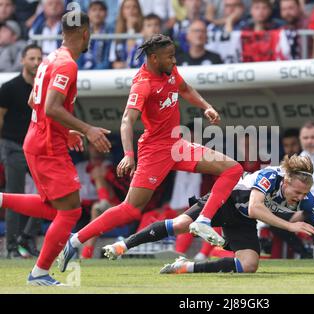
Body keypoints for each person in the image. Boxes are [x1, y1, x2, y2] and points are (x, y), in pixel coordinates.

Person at [58, 34, 244, 272]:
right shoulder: (143, 83)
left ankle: (204, 221)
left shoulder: (170, 73)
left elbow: (186, 89)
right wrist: (128, 154)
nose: (174, 61)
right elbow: (127, 120)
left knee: (233, 168)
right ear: (154, 58)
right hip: (154, 151)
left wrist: (206, 106)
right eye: (170, 57)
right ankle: (75, 240)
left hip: (177, 146)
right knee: (130, 209)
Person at [0, 11, 112, 286]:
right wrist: (87, 129)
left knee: (55, 209)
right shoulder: (67, 65)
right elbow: (50, 107)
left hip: (38, 140)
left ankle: (1, 199)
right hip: (47, 146)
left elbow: (32, 101)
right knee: (70, 211)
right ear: (86, 33)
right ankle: (38, 273)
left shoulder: (50, 58)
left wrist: (66, 129)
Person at [103, 155, 314, 274]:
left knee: (249, 266)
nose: (301, 198)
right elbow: (254, 207)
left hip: (243, 221)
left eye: (305, 194)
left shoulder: (306, 197)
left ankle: (186, 267)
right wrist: (290, 226)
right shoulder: (270, 176)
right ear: (287, 180)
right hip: (225, 201)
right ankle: (123, 245)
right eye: (298, 192)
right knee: (180, 224)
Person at [0, 44, 42, 259]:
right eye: (32, 58)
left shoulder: (44, 88)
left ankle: (27, 237)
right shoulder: (8, 88)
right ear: (22, 61)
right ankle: (11, 246)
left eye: (38, 59)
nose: (36, 63)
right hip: (13, 146)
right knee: (15, 196)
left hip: (37, 148)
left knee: (49, 195)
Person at [77, 0, 114, 70]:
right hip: (83, 73)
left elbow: (108, 59)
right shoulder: (81, 33)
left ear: (106, 13)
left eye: (101, 10)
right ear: (88, 13)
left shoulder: (111, 32)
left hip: (103, 73)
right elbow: (78, 57)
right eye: (94, 10)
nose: (97, 13)